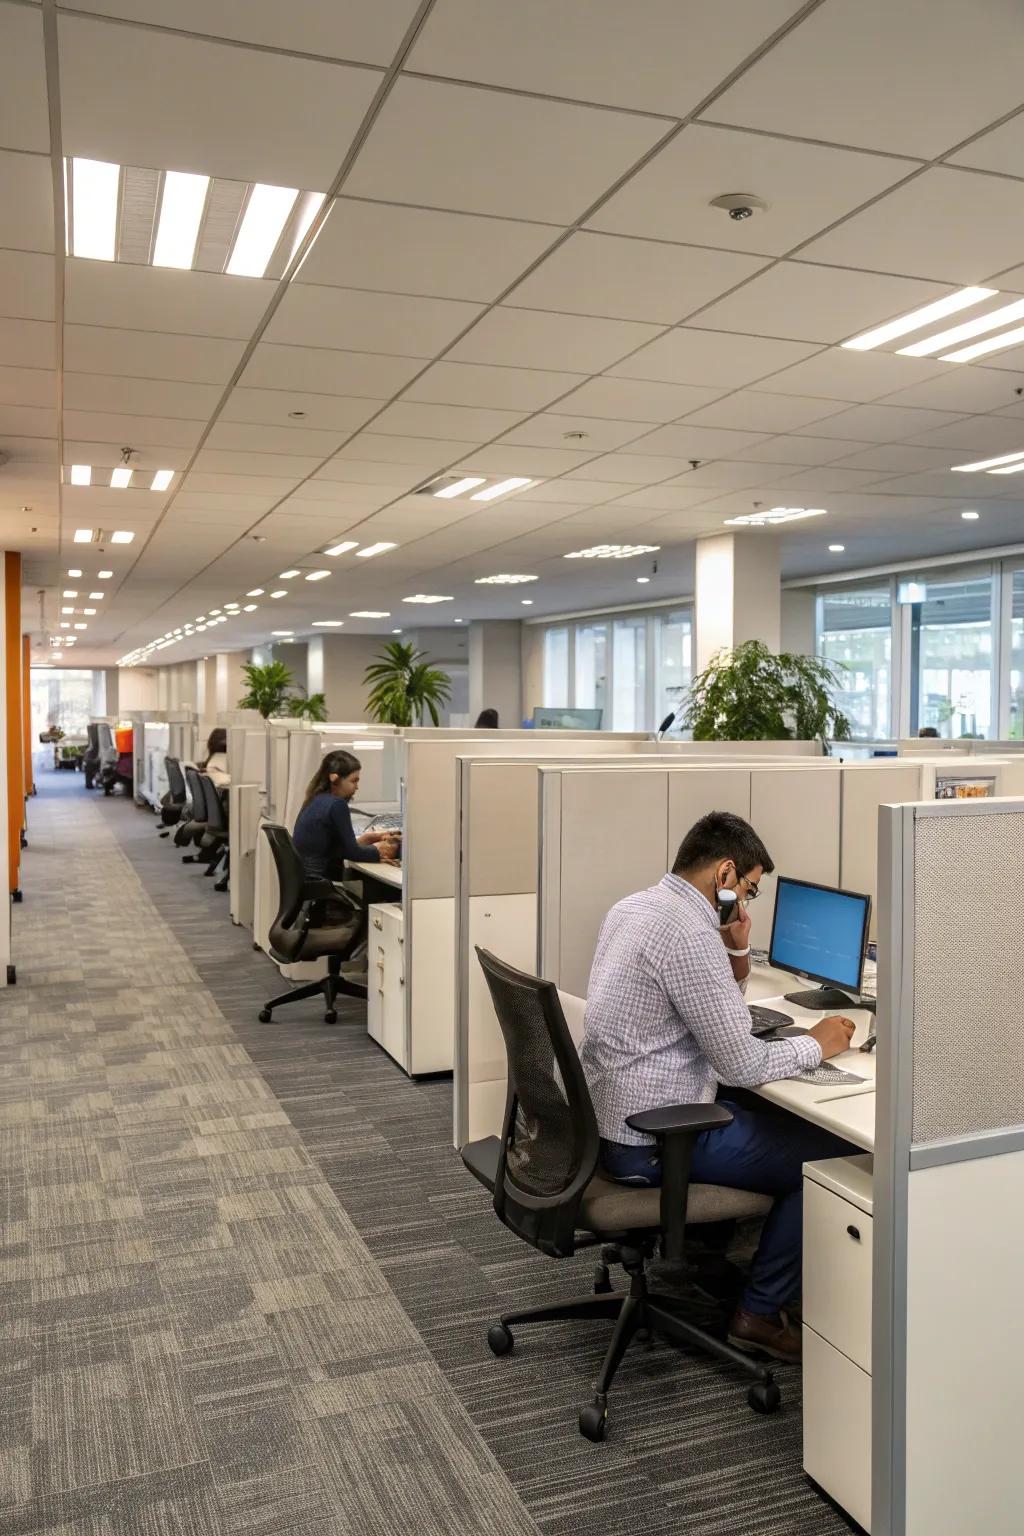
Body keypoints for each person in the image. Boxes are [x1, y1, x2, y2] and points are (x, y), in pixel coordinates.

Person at [580, 810, 857, 1363]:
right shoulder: (686, 933)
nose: (747, 905)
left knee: (785, 1122)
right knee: (837, 1159)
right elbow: (740, 1064)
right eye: (749, 890)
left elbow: (717, 1007)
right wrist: (821, 1044)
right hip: (655, 1139)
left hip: (617, 1114)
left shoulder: (636, 907)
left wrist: (735, 948)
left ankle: (711, 1262)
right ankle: (757, 1313)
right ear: (725, 875)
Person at [292, 749, 399, 884]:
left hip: (309, 880)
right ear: (335, 780)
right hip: (323, 881)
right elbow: (353, 853)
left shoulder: (315, 799)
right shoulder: (337, 804)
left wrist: (365, 840)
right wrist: (381, 851)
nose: (357, 787)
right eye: (354, 781)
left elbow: (336, 850)